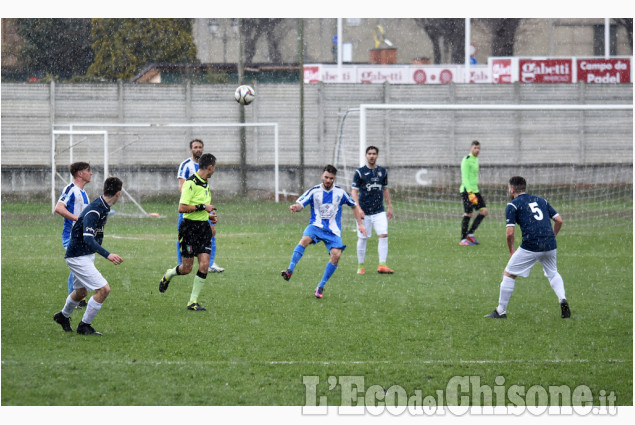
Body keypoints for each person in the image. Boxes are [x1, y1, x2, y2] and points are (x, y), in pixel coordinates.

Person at [485, 176, 570, 319]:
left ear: (512, 190)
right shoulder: (541, 200)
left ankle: (500, 311)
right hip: (549, 244)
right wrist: (552, 236)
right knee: (553, 273)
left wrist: (511, 250)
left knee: (509, 273)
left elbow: (510, 233)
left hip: (531, 245)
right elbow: (559, 220)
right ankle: (562, 298)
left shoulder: (512, 205)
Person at [280, 165, 366, 299]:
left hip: (333, 231)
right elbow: (301, 204)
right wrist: (295, 208)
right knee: (304, 240)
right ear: (322, 176)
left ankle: (321, 286)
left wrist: (360, 224)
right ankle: (290, 270)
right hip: (316, 226)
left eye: (331, 178)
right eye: (326, 177)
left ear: (334, 178)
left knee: (336, 256)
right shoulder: (314, 191)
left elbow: (353, 205)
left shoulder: (340, 192)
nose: (328, 180)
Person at [53, 177, 124, 335]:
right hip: (77, 256)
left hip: (84, 254)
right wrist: (108, 255)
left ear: (104, 189)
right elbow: (88, 238)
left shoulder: (104, 206)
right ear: (119, 193)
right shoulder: (95, 209)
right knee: (104, 290)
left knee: (81, 292)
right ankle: (84, 325)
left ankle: (62, 316)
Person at [159, 153, 218, 311]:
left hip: (203, 228)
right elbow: (182, 208)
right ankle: (168, 275)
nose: (214, 171)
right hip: (189, 229)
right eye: (214, 168)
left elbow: (205, 205)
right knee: (186, 268)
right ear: (210, 167)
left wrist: (210, 216)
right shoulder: (190, 183)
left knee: (204, 265)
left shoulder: (205, 183)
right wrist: (202, 207)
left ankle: (192, 301)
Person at [177, 139, 224, 273]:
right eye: (195, 147)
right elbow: (183, 190)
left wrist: (208, 212)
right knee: (182, 238)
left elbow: (205, 192)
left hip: (203, 213)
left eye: (200, 147)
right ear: (191, 150)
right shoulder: (186, 166)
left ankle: (210, 263)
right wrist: (200, 205)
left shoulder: (205, 172)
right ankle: (183, 262)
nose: (198, 149)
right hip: (189, 212)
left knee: (212, 233)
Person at [54, 161, 93, 308]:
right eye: (88, 170)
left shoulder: (84, 193)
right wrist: (77, 219)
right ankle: (76, 299)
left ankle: (78, 297)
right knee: (79, 266)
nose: (91, 173)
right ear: (80, 173)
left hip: (81, 237)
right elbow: (59, 208)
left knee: (81, 266)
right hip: (71, 236)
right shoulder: (70, 189)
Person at [351, 145, 394, 275]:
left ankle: (382, 264)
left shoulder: (382, 172)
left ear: (377, 156)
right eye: (369, 153)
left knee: (383, 235)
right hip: (364, 212)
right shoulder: (359, 173)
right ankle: (361, 265)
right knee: (363, 238)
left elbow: (385, 189)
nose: (371, 156)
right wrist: (358, 208)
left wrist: (390, 206)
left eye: (374, 153)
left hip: (379, 210)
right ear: (366, 155)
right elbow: (354, 192)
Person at [459, 140, 488, 246]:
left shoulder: (476, 160)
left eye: (478, 148)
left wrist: (474, 192)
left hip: (475, 191)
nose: (477, 150)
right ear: (471, 148)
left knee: (484, 211)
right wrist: (470, 192)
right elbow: (465, 178)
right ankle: (463, 239)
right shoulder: (466, 160)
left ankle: (470, 234)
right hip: (467, 191)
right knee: (468, 213)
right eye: (475, 148)